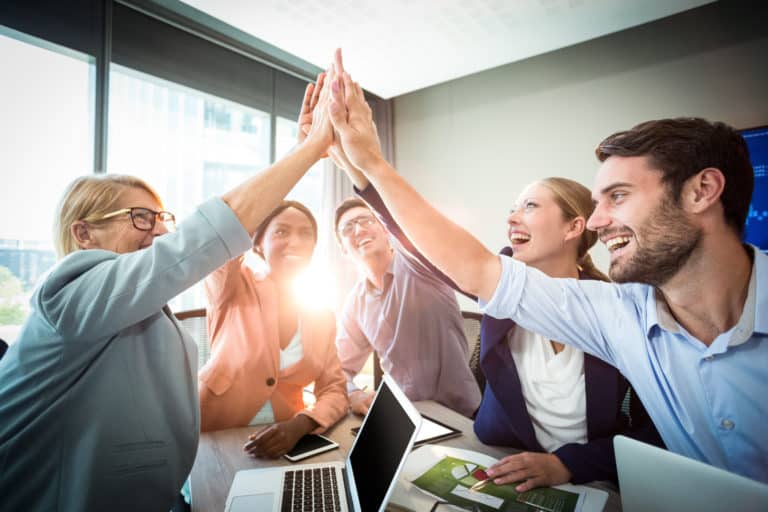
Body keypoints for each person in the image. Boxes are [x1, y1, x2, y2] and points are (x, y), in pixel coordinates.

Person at [326, 58, 766, 484]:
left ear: (702, 191)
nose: (598, 221)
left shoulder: (612, 311)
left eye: (618, 196)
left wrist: (572, 462)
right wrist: (366, 166)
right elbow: (465, 264)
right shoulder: (620, 314)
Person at [0, 72, 334, 510]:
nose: (158, 232)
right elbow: (200, 242)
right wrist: (306, 152)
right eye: (141, 217)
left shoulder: (146, 309)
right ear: (83, 233)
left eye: (162, 219)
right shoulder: (67, 292)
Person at [328, 123, 663, 488]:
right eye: (512, 208)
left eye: (530, 206)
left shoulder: (618, 312)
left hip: (592, 478)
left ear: (573, 228)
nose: (511, 217)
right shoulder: (500, 290)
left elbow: (660, 433)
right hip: (502, 462)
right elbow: (419, 241)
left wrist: (568, 464)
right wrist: (354, 164)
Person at [199, 200, 348, 458]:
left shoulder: (321, 315)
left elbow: (334, 389)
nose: (296, 241)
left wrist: (301, 424)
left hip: (281, 444)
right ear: (258, 243)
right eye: (281, 231)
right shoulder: (232, 285)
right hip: (210, 435)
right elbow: (224, 237)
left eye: (305, 233)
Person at [331, 195, 481, 418]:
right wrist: (354, 394)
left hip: (458, 414)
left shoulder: (419, 265)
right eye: (348, 227)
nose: (359, 230)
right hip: (403, 417)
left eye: (366, 220)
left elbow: (414, 226)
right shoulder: (356, 302)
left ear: (385, 229)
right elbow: (338, 368)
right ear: (343, 249)